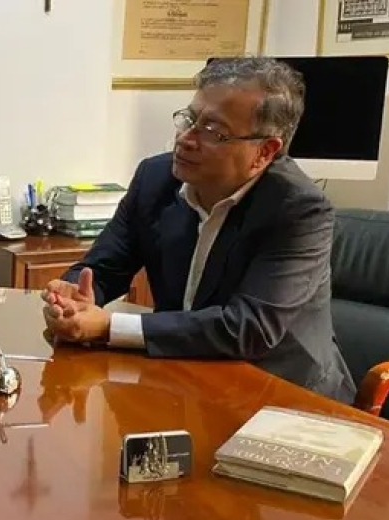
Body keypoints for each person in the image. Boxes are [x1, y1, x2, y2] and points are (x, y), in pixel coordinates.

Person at [42, 56, 354, 404]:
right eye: (190, 119)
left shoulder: (299, 209)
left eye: (213, 131)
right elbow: (104, 267)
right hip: (185, 375)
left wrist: (108, 327)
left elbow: (249, 327)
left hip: (281, 395)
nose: (186, 139)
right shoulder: (154, 179)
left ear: (264, 152)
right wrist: (72, 299)